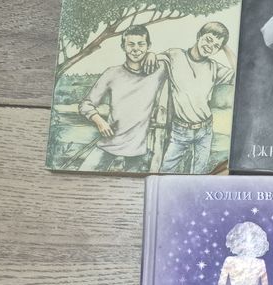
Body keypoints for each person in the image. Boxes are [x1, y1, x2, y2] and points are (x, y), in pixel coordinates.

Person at [77, 25, 167, 172]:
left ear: (148, 46)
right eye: (131, 44)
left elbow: (175, 56)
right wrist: (100, 122)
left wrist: (155, 55)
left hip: (138, 151)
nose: (136, 49)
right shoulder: (111, 73)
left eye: (141, 44)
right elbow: (86, 104)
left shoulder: (158, 71)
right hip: (109, 142)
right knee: (83, 172)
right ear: (123, 47)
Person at [156, 22, 234, 174]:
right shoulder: (175, 55)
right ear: (199, 36)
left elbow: (239, 72)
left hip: (205, 130)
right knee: (166, 170)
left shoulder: (214, 67)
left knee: (200, 173)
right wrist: (152, 56)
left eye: (216, 46)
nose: (210, 46)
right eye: (208, 40)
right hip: (180, 130)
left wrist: (225, 46)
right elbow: (153, 60)